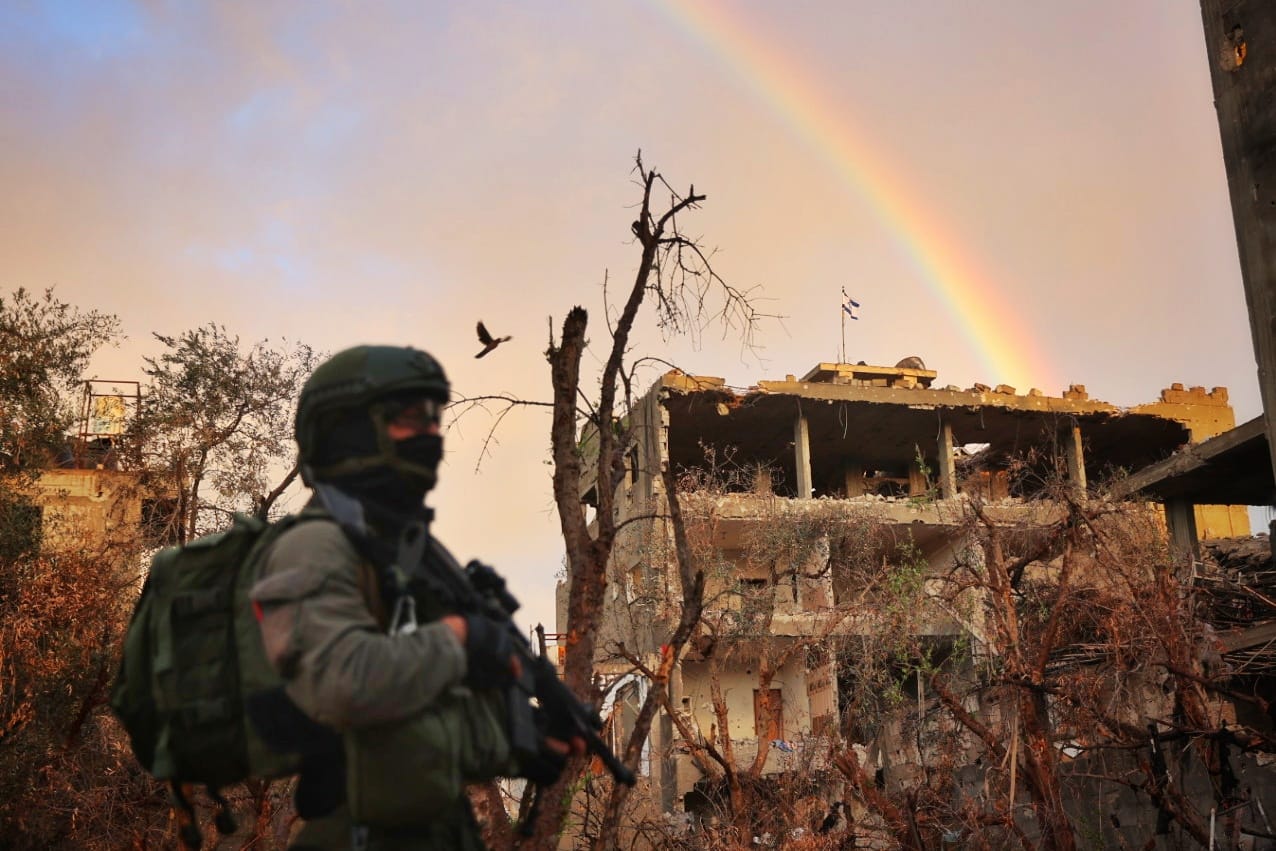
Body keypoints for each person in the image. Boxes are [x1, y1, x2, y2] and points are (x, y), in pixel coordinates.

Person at [249, 344, 574, 850]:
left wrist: (524, 742)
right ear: (347, 430)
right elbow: (343, 682)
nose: (431, 434)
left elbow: (420, 726)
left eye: (434, 418)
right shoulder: (314, 545)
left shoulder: (404, 555)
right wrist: (460, 636)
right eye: (408, 419)